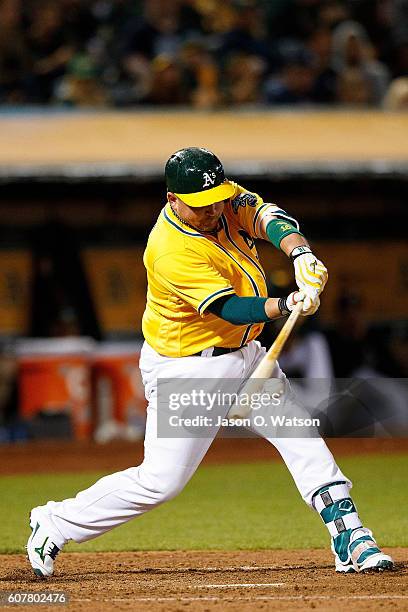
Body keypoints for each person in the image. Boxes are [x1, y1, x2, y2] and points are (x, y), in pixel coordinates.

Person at [27, 147, 393, 577]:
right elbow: (230, 308)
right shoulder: (167, 250)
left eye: (217, 198)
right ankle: (54, 521)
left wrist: (300, 255)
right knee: (160, 483)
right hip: (188, 368)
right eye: (200, 205)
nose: (213, 209)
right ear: (172, 200)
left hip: (248, 356)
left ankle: (350, 534)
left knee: (301, 436)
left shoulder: (219, 197)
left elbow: (268, 218)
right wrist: (288, 302)